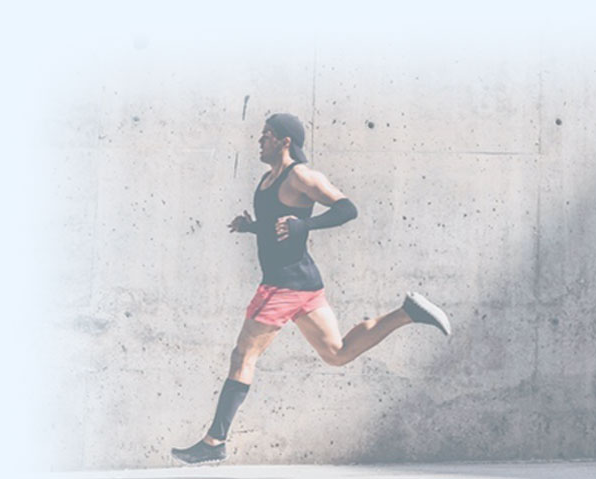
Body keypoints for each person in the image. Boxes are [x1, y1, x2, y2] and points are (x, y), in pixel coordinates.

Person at [171, 113, 451, 464]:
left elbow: (347, 209)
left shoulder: (300, 175)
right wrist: (250, 228)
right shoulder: (267, 178)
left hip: (282, 286)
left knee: (244, 356)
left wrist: (307, 224)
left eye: (267, 135)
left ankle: (214, 442)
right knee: (337, 353)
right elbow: (279, 227)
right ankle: (408, 312)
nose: (260, 140)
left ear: (285, 141)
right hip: (304, 284)